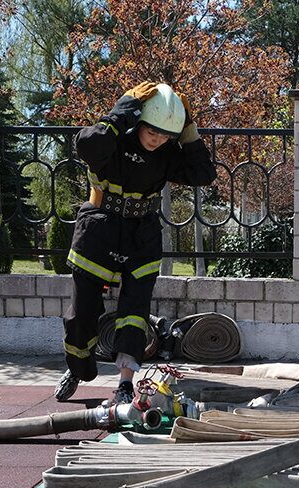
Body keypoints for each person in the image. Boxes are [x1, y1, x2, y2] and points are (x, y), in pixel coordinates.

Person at [54, 82, 216, 405]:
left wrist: (187, 129)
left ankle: (126, 381)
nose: (158, 141)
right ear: (139, 121)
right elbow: (86, 145)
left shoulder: (168, 153)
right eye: (153, 132)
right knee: (82, 314)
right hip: (99, 230)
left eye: (165, 135)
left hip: (141, 235)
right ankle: (78, 368)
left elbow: (204, 172)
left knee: (135, 312)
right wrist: (120, 112)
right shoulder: (114, 140)